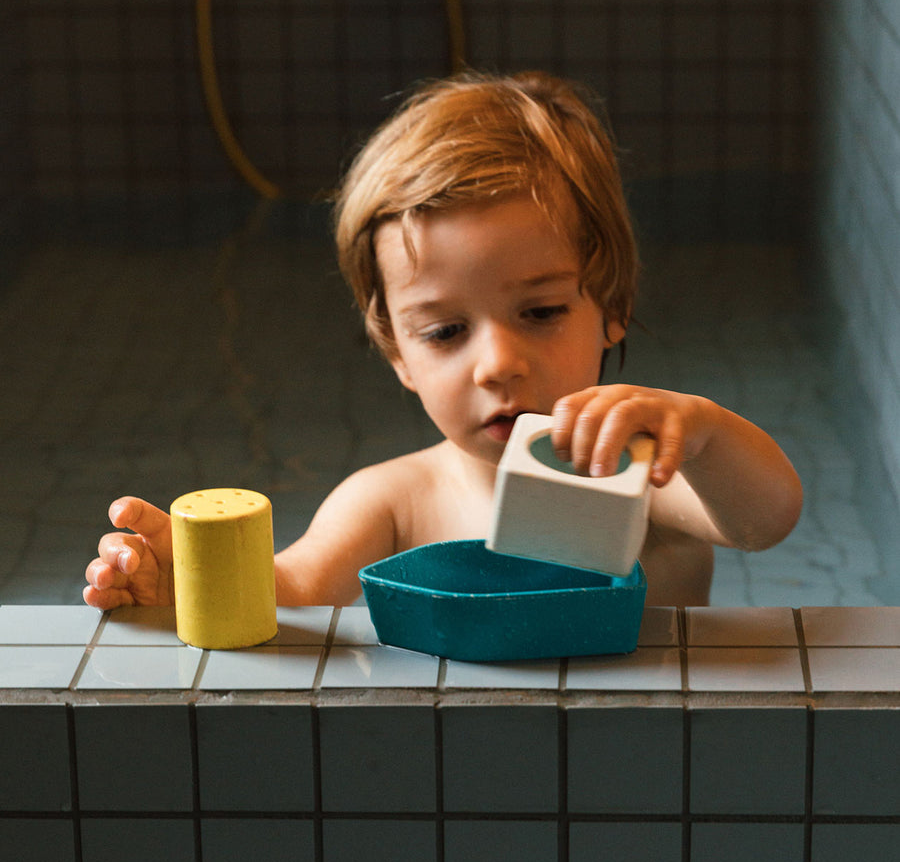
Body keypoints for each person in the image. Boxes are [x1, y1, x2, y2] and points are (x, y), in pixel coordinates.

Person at [83, 71, 802, 610]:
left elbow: (762, 521)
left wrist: (700, 432)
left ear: (611, 305)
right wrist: (184, 581)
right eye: (446, 331)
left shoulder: (634, 473)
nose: (497, 364)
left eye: (542, 311)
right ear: (397, 349)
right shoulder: (392, 503)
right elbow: (289, 594)